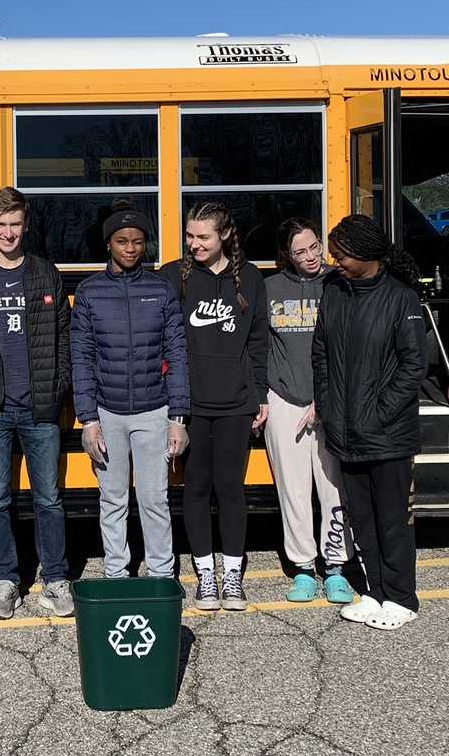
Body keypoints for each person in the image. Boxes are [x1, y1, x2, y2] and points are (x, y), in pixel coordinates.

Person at [313, 214, 426, 630]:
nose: (333, 260)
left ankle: (401, 598)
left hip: (388, 434)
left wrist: (377, 413)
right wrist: (326, 402)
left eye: (341, 255)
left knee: (392, 519)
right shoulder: (334, 291)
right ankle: (375, 593)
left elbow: (414, 366)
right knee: (362, 519)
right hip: (344, 431)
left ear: (365, 255)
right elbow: (320, 352)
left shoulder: (402, 298)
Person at [0, 187, 74, 620]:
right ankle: (6, 580)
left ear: (25, 225)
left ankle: (54, 579)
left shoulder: (45, 273)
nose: (8, 232)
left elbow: (64, 334)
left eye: (15, 224)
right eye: (1, 225)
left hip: (40, 407)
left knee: (48, 498)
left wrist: (58, 383)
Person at [159, 202, 268, 611]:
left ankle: (233, 575)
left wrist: (261, 395)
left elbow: (258, 342)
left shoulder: (251, 277)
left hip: (237, 401)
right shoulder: (173, 276)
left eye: (203, 237)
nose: (194, 244)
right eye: (190, 236)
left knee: (230, 487)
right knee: (197, 486)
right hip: (190, 400)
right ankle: (206, 573)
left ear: (224, 234)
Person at [72, 209, 189, 583]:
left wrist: (178, 417)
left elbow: (177, 352)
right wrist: (88, 420)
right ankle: (116, 573)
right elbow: (82, 359)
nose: (131, 248)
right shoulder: (90, 292)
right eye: (122, 241)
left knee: (155, 500)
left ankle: (161, 574)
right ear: (108, 244)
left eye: (138, 241)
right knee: (113, 500)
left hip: (155, 412)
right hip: (107, 414)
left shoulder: (160, 289)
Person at [264, 218, 353, 604]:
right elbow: (259, 346)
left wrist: (325, 397)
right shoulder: (269, 288)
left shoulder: (339, 283)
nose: (311, 257)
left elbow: (349, 346)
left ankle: (336, 566)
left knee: (334, 486)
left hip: (331, 399)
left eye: (315, 247)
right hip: (284, 399)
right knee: (293, 489)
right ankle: (302, 567)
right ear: (287, 254)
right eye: (300, 251)